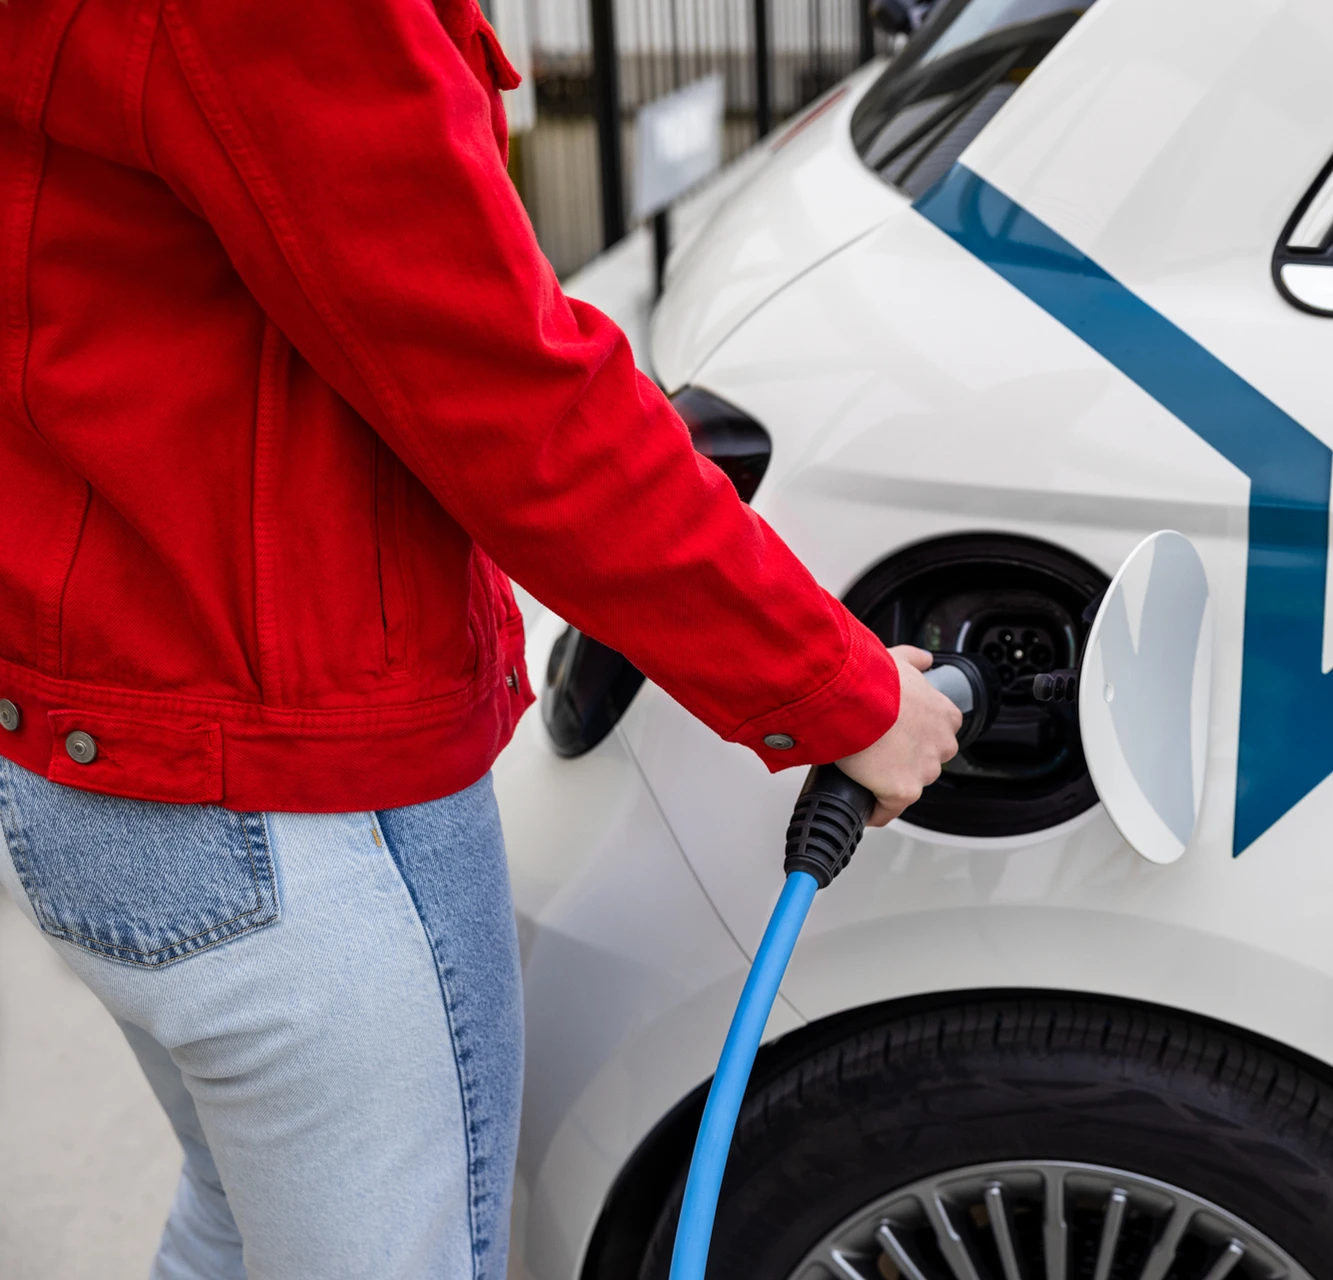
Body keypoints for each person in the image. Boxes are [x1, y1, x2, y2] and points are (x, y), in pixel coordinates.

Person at [0, 1, 962, 1277]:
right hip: (288, 799)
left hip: (92, 751)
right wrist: (837, 690)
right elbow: (503, 388)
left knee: (236, 1221)